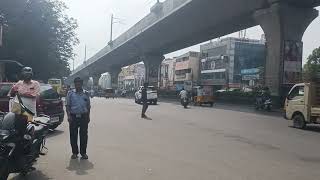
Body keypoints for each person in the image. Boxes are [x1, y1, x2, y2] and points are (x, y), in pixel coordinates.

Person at [65, 77, 91, 160]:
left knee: (84, 136)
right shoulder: (70, 93)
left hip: (84, 116)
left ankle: (83, 153)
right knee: (73, 135)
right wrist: (68, 116)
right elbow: (67, 106)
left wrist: (88, 116)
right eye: (76, 83)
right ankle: (75, 153)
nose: (78, 85)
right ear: (74, 84)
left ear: (82, 84)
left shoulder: (86, 93)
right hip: (73, 117)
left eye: (79, 83)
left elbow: (88, 106)